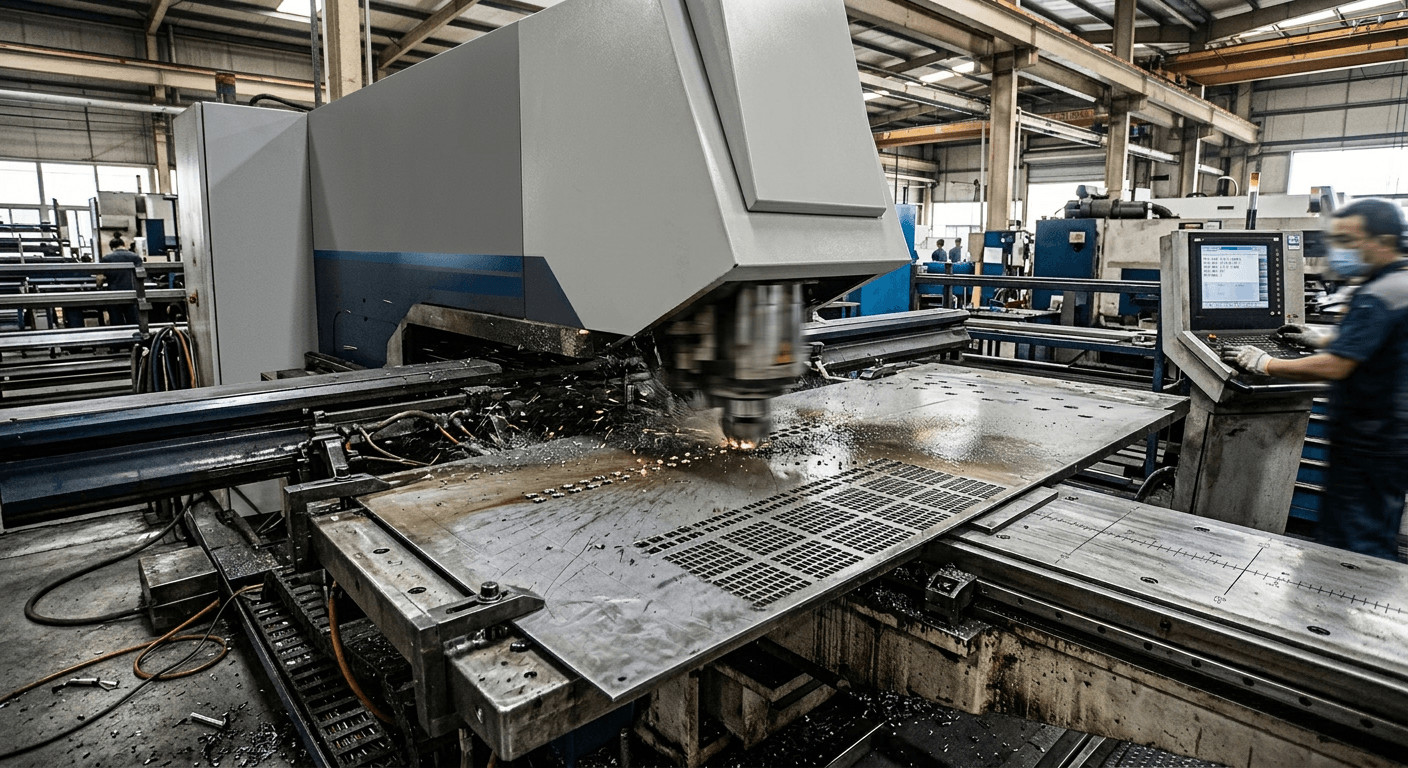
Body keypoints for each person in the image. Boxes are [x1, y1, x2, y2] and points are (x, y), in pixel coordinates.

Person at [1223, 198, 1408, 560]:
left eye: (1350, 241)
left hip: (1369, 438)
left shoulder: (1377, 294)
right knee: (1376, 525)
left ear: (1383, 241)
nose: (1340, 251)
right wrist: (1320, 338)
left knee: (1352, 539)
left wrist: (1266, 363)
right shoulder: (1399, 282)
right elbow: (1380, 344)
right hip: (1392, 437)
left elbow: (1337, 366)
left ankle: (1334, 603)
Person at [100, 236, 143, 326]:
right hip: (132, 293)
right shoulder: (136, 257)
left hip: (114, 294)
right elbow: (141, 275)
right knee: (133, 322)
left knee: (117, 322)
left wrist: (99, 286)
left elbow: (100, 278)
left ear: (112, 248)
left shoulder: (106, 259)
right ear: (123, 245)